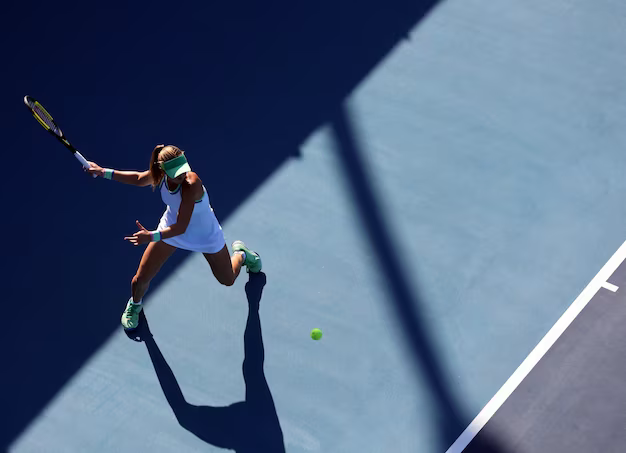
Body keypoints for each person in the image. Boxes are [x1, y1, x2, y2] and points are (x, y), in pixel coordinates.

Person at [86, 144, 261, 330]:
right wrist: (102, 171)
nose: (182, 175)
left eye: (183, 170)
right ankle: (135, 305)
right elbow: (138, 178)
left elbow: (182, 226)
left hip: (204, 234)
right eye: (175, 172)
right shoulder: (159, 175)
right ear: (162, 170)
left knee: (228, 280)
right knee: (140, 279)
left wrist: (151, 236)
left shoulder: (192, 183)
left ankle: (241, 255)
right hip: (171, 227)